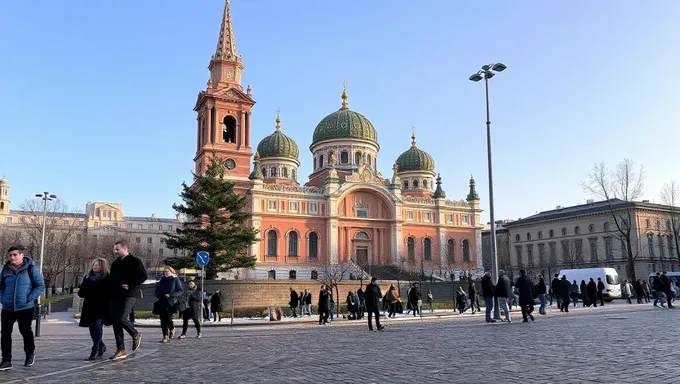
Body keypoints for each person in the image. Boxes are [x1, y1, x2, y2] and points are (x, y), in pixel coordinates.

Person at [0, 245, 45, 371]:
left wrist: (29, 298)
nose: (12, 257)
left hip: (25, 307)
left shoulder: (31, 268)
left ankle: (30, 354)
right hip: (8, 307)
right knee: (5, 333)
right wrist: (2, 299)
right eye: (10, 255)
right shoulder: (5, 269)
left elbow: (40, 285)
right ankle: (6, 360)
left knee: (25, 331)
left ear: (21, 255)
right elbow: (0, 286)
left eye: (15, 254)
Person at [109, 240, 148, 360]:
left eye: (117, 249)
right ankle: (121, 349)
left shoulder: (135, 261)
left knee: (122, 317)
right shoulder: (115, 264)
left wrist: (131, 284)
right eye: (114, 249)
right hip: (116, 295)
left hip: (130, 294)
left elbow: (143, 276)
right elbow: (112, 279)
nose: (115, 251)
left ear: (125, 248)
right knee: (116, 321)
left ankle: (135, 333)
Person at [77, 258, 112, 360]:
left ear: (102, 267)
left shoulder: (107, 278)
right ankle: (101, 345)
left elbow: (110, 292)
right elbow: (81, 293)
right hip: (89, 307)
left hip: (102, 306)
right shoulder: (88, 278)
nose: (95, 267)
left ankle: (95, 349)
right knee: (92, 327)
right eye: (93, 265)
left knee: (97, 326)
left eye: (97, 265)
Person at [155, 267, 183, 343]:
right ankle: (165, 336)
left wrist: (171, 295)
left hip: (171, 302)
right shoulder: (162, 280)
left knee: (168, 318)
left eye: (167, 271)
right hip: (162, 301)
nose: (166, 273)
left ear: (171, 272)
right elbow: (157, 289)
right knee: (162, 319)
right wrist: (157, 294)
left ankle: (172, 328)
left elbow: (180, 291)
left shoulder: (175, 280)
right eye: (164, 272)